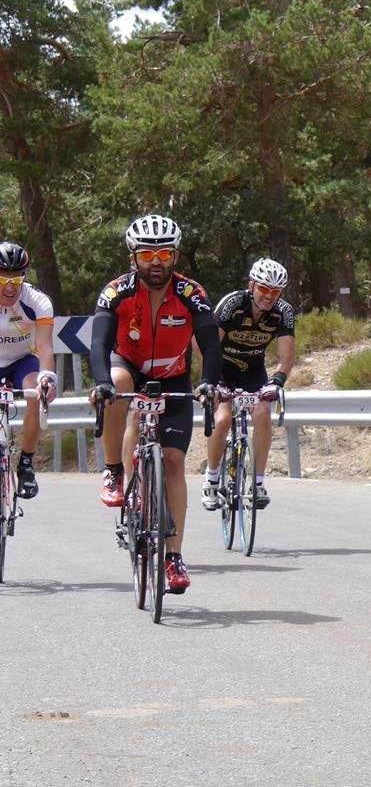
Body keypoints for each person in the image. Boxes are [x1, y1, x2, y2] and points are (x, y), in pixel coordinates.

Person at [89, 214, 222, 595]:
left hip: (173, 376)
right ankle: (115, 469)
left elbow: (211, 343)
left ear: (175, 256)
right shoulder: (116, 292)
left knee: (174, 461)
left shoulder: (191, 293)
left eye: (164, 253)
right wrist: (100, 383)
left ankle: (174, 557)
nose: (156, 261)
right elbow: (98, 344)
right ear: (134, 258)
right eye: (147, 253)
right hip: (126, 366)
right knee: (119, 386)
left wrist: (209, 381)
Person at [201, 258, 295, 510]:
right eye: (264, 289)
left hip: (253, 371)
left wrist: (277, 381)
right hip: (221, 368)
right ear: (251, 285)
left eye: (275, 291)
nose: (269, 296)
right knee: (222, 419)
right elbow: (208, 347)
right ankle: (210, 479)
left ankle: (258, 483)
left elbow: (286, 357)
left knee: (263, 413)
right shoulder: (232, 304)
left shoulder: (283, 312)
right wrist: (212, 381)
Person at [0, 241, 57, 498]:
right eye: (2, 280)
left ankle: (25, 464)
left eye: (16, 279)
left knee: (36, 390)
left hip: (23, 359)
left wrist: (48, 379)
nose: (10, 287)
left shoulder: (37, 301)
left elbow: (45, 347)